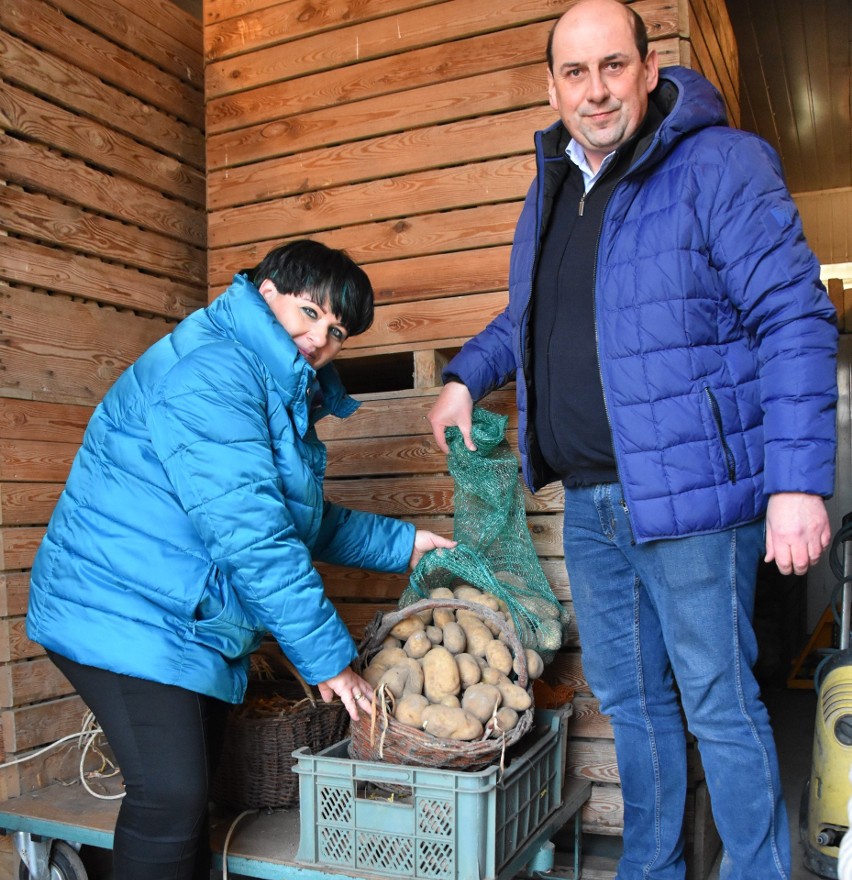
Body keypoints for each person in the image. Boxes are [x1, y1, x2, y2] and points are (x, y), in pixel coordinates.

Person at [427, 2, 838, 879]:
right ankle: (650, 869)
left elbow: (794, 316)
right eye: (575, 73)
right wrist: (466, 373)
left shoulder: (719, 164)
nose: (596, 89)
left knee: (719, 702)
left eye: (613, 66)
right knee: (635, 704)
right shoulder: (555, 187)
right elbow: (528, 316)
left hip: (691, 501)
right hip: (590, 501)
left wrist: (798, 483)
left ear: (649, 70)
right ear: (552, 86)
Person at [27, 239, 455, 880]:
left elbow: (290, 518)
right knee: (169, 797)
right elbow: (253, 536)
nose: (320, 339)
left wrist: (404, 545)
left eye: (336, 331)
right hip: (120, 606)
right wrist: (330, 660)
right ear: (267, 291)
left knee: (186, 798)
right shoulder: (213, 372)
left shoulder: (271, 381)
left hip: (181, 613)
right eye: (310, 313)